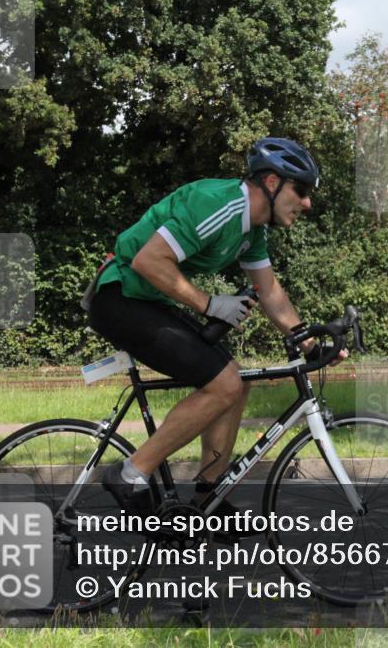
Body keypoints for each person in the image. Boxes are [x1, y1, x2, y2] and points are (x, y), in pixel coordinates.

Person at [86, 137, 345, 514]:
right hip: (120, 295)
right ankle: (130, 474)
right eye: (301, 190)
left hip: (147, 301)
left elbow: (269, 290)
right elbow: (148, 261)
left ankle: (210, 498)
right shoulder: (220, 204)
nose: (307, 203)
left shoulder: (252, 230)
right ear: (271, 183)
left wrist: (307, 342)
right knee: (223, 383)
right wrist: (210, 304)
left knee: (235, 385)